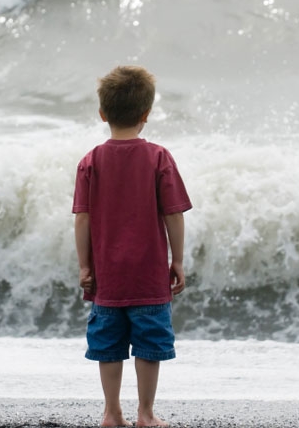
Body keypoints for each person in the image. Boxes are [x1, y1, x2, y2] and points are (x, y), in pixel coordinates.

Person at [72, 66, 192, 427]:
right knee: (148, 345)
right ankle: (146, 413)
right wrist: (179, 260)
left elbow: (82, 218)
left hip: (107, 277)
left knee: (107, 346)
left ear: (102, 114)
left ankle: (111, 412)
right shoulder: (158, 157)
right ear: (146, 115)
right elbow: (173, 214)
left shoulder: (90, 161)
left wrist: (84, 266)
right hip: (148, 275)